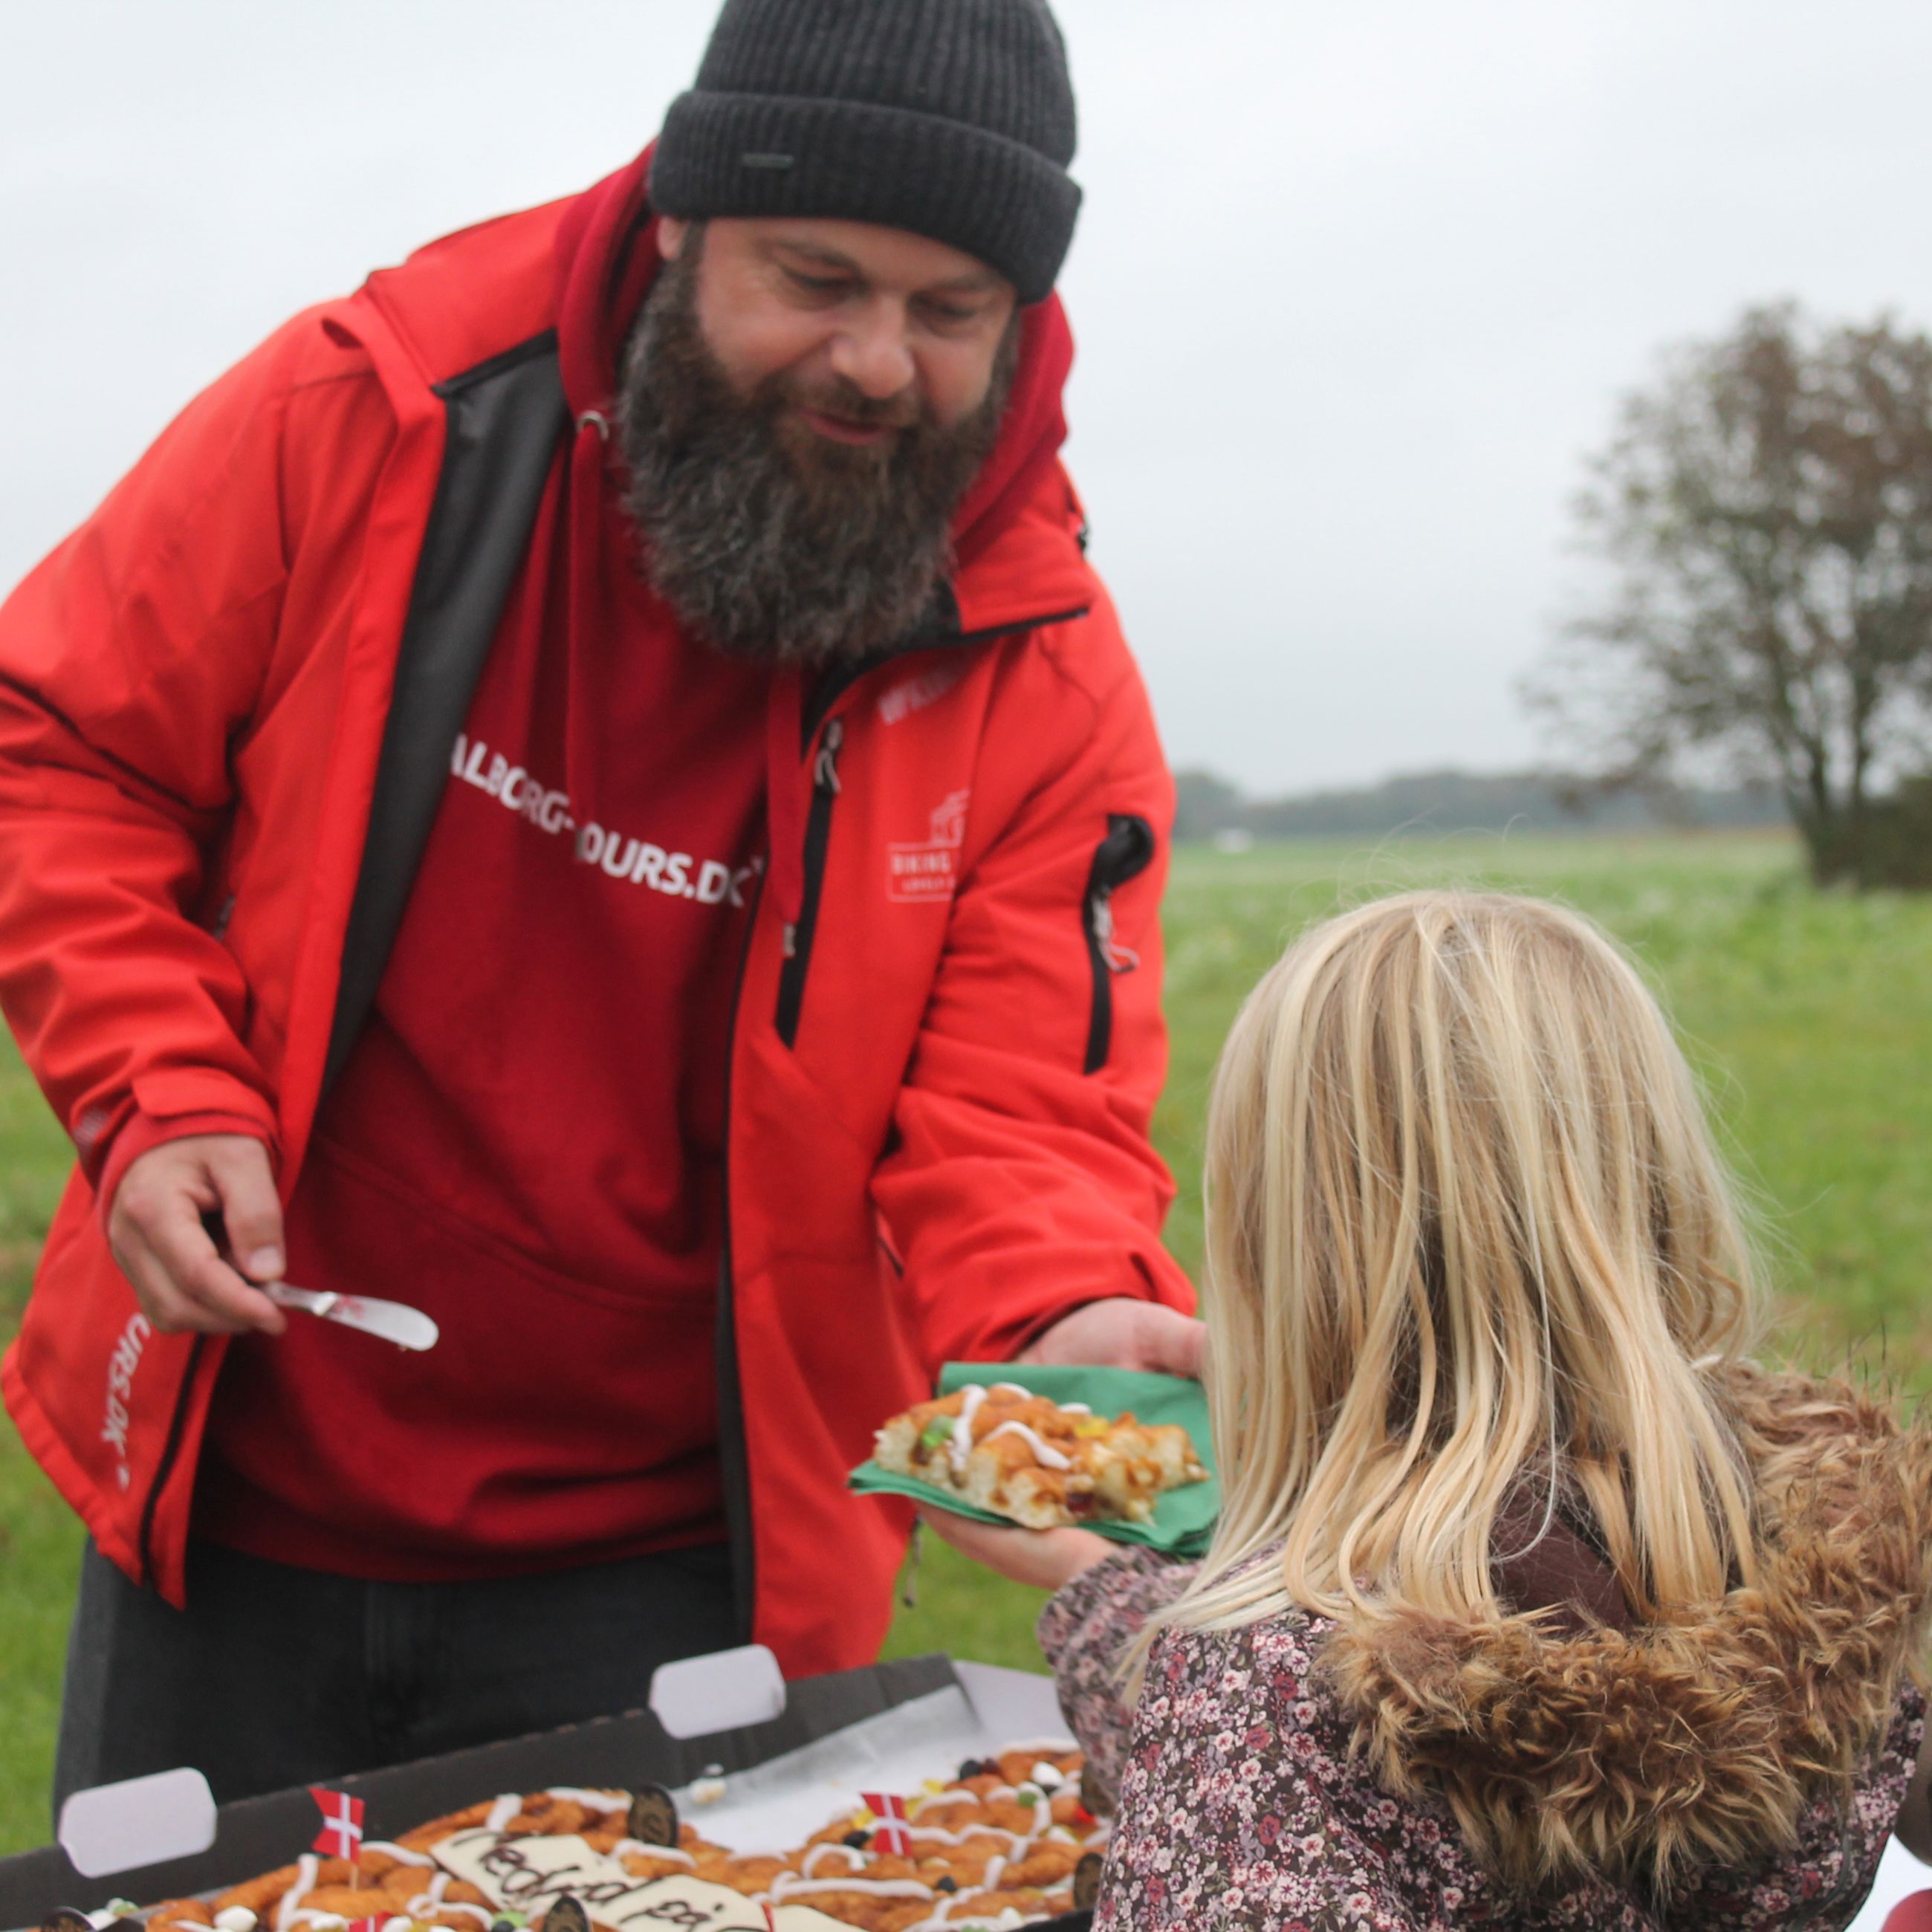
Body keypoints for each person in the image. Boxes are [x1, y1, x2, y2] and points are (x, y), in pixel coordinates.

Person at [0, 0, 1202, 1809]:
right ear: (676, 226)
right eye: (817, 277)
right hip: (246, 1480)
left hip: (680, 1563)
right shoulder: (385, 405)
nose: (877, 362)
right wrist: (152, 1085)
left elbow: (1023, 1105)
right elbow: (59, 739)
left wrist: (1061, 1323)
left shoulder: (1037, 658)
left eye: (949, 311)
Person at [929, 890, 1932, 1929]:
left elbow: (1277, 1762)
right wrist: (1100, 1590)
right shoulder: (1795, 1571)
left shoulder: (1263, 1702)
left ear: (1276, 1259)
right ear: (1657, 1193)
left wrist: (1184, 1642)